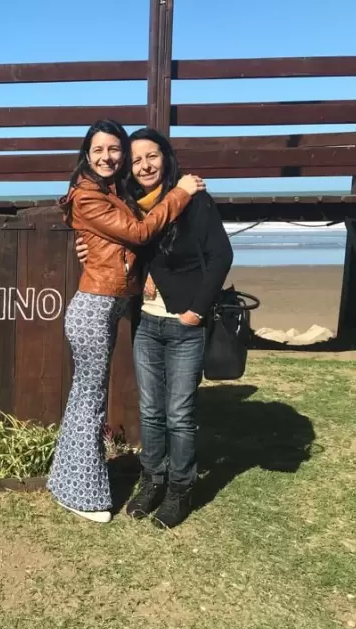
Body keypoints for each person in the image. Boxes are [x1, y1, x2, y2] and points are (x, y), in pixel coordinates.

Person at [75, 127, 233, 528]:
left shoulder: (192, 201)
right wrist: (86, 248)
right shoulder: (131, 204)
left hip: (183, 323)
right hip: (146, 323)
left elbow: (220, 256)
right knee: (151, 412)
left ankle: (180, 488)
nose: (145, 165)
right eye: (138, 159)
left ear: (166, 158)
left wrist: (197, 310)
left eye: (153, 156)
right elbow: (121, 243)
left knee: (179, 413)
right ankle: (152, 480)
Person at [48, 119, 204, 524]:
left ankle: (66, 481)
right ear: (86, 153)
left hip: (109, 302)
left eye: (115, 150)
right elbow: (137, 232)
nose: (108, 157)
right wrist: (181, 193)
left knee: (85, 397)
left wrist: (89, 244)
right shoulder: (89, 195)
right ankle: (83, 494)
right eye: (99, 150)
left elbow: (112, 237)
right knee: (90, 400)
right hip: (93, 308)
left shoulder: (112, 189)